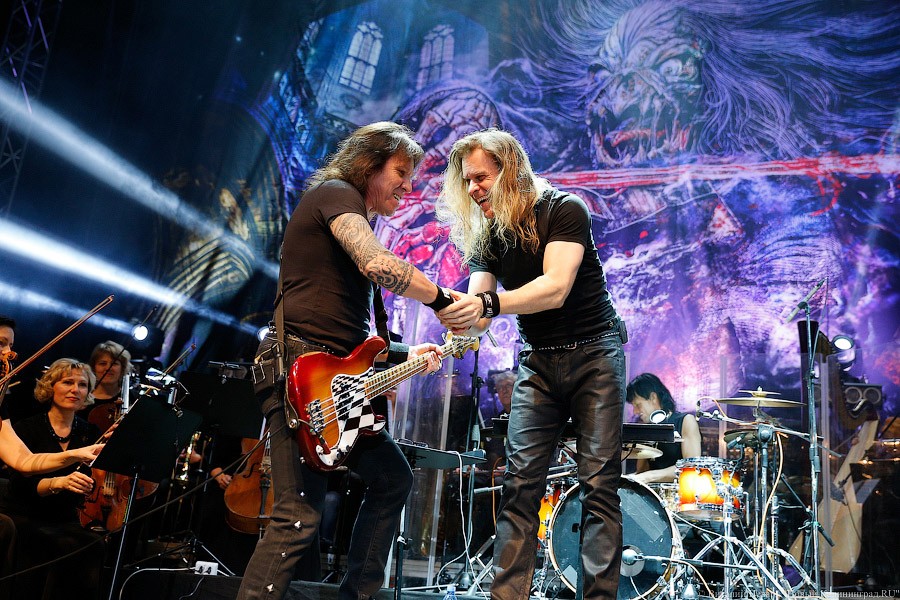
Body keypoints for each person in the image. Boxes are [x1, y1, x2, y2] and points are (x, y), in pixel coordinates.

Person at [236, 121, 454, 600]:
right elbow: (376, 262)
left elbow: (343, 332)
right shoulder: (337, 194)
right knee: (297, 516)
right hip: (298, 373)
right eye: (401, 172)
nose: (409, 186)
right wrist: (441, 299)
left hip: (331, 381)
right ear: (368, 164)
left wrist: (404, 353)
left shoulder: (351, 211)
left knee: (392, 479)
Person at [435, 128, 627, 600]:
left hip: (595, 355)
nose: (473, 188)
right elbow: (480, 313)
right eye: (468, 181)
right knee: (519, 485)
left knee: (598, 486)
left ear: (511, 171)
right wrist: (452, 317)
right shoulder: (488, 234)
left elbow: (555, 287)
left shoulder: (564, 209)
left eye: (481, 177)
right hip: (539, 363)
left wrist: (487, 306)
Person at [1, 358, 106, 600]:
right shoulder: (26, 428)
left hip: (67, 516)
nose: (75, 389)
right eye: (67, 382)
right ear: (50, 387)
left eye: (82, 384)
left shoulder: (90, 432)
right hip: (27, 513)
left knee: (95, 544)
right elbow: (21, 485)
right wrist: (59, 483)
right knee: (56, 543)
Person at [625, 373, 702, 485]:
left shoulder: (686, 421)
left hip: (680, 492)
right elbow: (642, 472)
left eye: (638, 405)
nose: (635, 411)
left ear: (653, 398)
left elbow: (692, 467)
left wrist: (650, 476)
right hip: (651, 493)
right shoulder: (647, 428)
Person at [78, 340, 132, 429]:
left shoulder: (133, 398)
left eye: (114, 363)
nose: (108, 368)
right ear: (93, 368)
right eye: (102, 363)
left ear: (122, 368)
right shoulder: (83, 399)